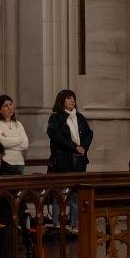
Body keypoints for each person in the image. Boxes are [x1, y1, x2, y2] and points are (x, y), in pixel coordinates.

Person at [47, 89, 94, 232]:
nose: (72, 101)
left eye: (73, 98)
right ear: (62, 101)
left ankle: (75, 224)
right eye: (68, 98)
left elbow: (89, 133)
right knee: (58, 194)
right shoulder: (55, 118)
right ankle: (57, 224)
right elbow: (56, 137)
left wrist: (83, 147)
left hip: (78, 161)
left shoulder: (79, 117)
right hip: (62, 160)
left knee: (75, 194)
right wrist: (75, 147)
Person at [0, 95, 29, 173]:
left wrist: (8, 143)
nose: (10, 108)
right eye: (6, 106)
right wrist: (19, 139)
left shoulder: (18, 123)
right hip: (4, 163)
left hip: (19, 162)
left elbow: (25, 144)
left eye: (11, 104)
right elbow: (2, 143)